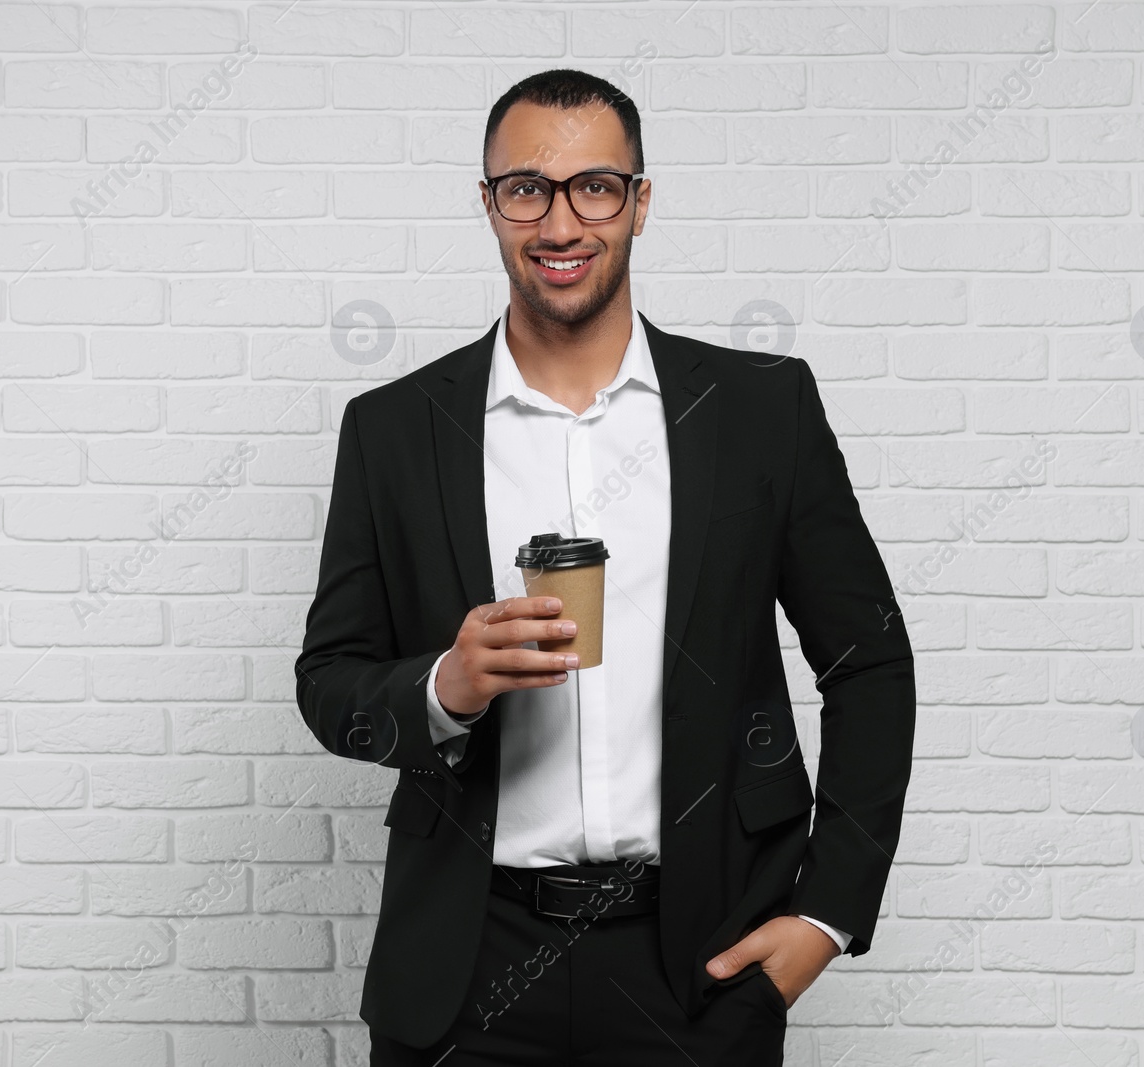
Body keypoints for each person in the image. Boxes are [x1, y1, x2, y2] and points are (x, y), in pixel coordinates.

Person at [295, 67, 916, 1066]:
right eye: (526, 188)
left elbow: (868, 661)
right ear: (489, 203)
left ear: (639, 201)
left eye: (595, 186)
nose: (559, 222)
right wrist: (442, 687)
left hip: (699, 967)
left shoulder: (761, 410)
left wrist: (827, 912)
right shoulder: (395, 429)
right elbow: (329, 682)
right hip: (462, 967)